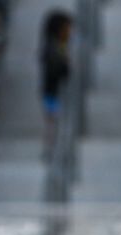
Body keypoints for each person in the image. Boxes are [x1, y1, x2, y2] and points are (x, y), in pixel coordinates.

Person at [39, 10, 72, 158]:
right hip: (53, 91)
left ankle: (53, 149)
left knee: (54, 122)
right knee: (52, 122)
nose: (70, 32)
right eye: (67, 28)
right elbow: (56, 69)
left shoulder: (60, 46)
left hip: (54, 91)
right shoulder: (52, 47)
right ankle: (50, 150)